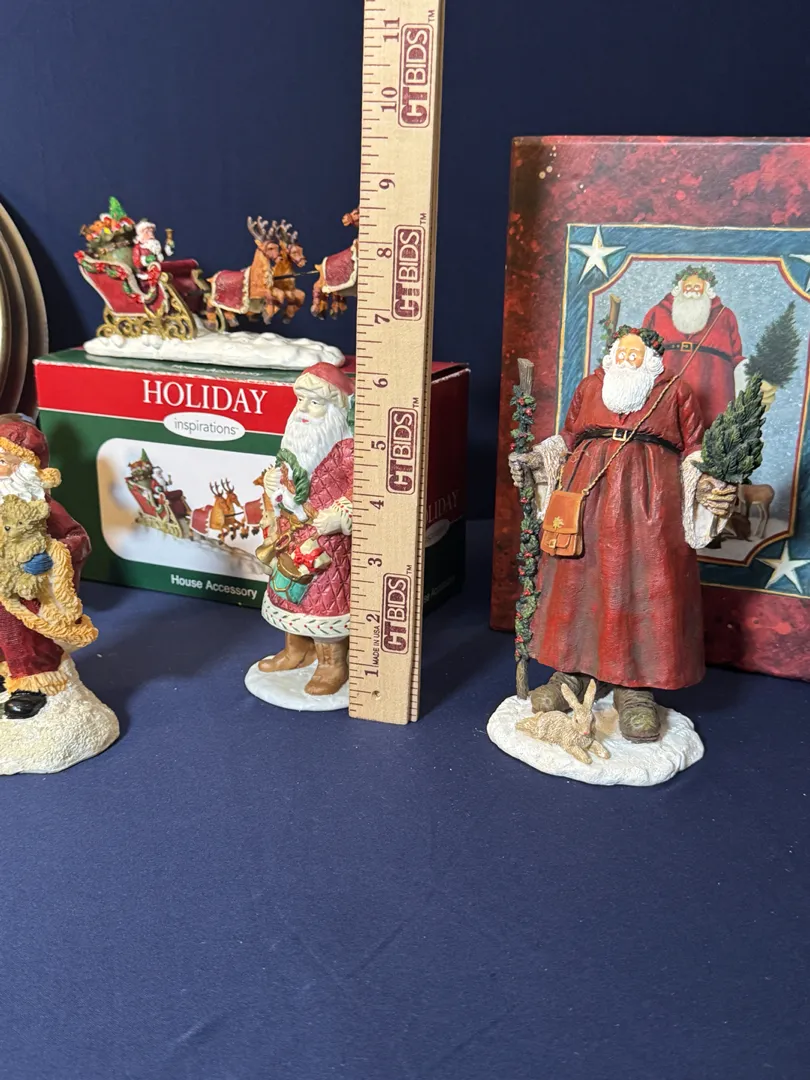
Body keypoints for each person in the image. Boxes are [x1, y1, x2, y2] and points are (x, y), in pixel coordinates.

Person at [509, 327, 736, 741]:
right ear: (611, 355)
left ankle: (634, 688)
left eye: (637, 354)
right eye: (622, 352)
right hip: (585, 498)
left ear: (652, 359)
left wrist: (708, 485)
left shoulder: (676, 391)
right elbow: (569, 436)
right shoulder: (590, 387)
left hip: (650, 506)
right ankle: (572, 673)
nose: (628, 360)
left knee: (643, 587)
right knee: (575, 584)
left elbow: (694, 449)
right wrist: (537, 459)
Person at [254, 363, 353, 696]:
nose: (304, 410)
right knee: (290, 593)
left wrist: (342, 512)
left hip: (328, 542)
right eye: (301, 400)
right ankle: (297, 650)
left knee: (324, 601)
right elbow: (287, 478)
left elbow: (365, 488)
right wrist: (272, 484)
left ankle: (332, 663)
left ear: (337, 408)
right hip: (291, 532)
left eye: (316, 402)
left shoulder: (348, 449)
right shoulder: (295, 440)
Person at [0, 419, 91, 718]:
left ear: (24, 468)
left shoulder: (43, 508)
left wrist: (52, 556)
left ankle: (33, 683)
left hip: (24, 587)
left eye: (2, 461)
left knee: (23, 635)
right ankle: (3, 672)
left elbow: (77, 539)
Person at [642, 266, 754, 425]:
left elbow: (736, 355)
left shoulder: (724, 315)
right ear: (680, 287)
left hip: (714, 386)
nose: (692, 291)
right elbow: (643, 347)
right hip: (668, 380)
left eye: (697, 287)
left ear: (706, 289)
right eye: (688, 286)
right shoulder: (657, 312)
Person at [131, 219, 174, 290]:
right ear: (141, 234)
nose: (151, 234)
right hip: (147, 272)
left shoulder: (155, 244)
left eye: (151, 231)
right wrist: (146, 260)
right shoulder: (138, 247)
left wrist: (169, 246)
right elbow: (137, 262)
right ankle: (154, 288)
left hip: (160, 268)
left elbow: (163, 254)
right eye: (147, 232)